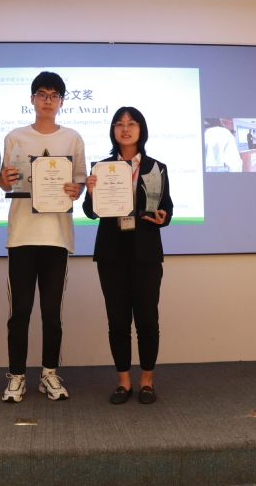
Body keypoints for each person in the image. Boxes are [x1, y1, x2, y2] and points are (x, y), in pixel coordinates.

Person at [0, 71, 87, 403]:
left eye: (54, 95)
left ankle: (49, 374)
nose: (47, 101)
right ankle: (17, 377)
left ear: (61, 101)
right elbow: (6, 183)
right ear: (32, 99)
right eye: (42, 94)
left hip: (57, 237)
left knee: (51, 313)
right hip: (22, 236)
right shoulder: (15, 137)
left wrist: (76, 189)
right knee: (19, 312)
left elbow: (79, 184)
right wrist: (5, 180)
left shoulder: (73, 138)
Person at [82, 107, 173, 405]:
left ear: (140, 129)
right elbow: (90, 213)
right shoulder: (101, 167)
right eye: (119, 124)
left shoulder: (156, 167)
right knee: (118, 322)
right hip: (111, 253)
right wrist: (91, 192)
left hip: (146, 253)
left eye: (131, 123)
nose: (125, 128)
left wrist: (163, 216)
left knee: (147, 320)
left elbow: (167, 208)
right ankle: (123, 382)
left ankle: (146, 381)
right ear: (113, 130)